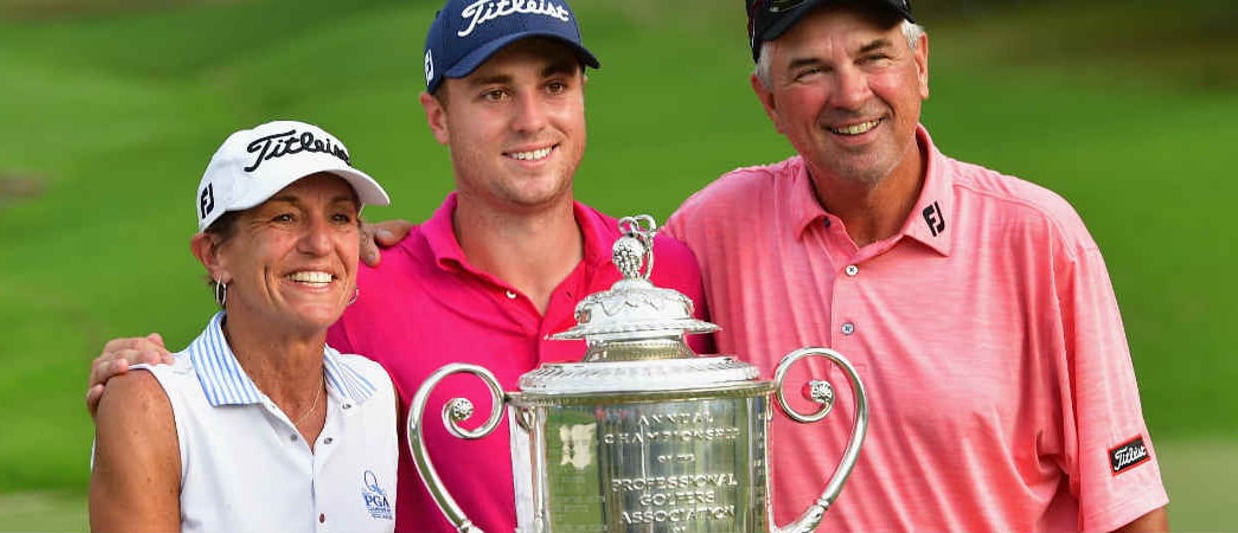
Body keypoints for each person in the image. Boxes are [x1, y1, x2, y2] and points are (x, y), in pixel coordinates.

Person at [85, 2, 711, 532]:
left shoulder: (670, 273)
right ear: (438, 116)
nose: (530, 119)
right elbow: (256, 331)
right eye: (495, 92)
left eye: (555, 86)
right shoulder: (369, 292)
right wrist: (140, 395)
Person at [661, 0, 1169, 531]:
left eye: (874, 57)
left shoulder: (1038, 238)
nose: (851, 95)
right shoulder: (709, 230)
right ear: (769, 101)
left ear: (920, 64)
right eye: (811, 70)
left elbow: (1129, 510)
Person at [88, 120, 399, 532]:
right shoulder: (152, 406)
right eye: (285, 217)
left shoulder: (374, 393)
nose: (320, 244)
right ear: (215, 254)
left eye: (340, 217)